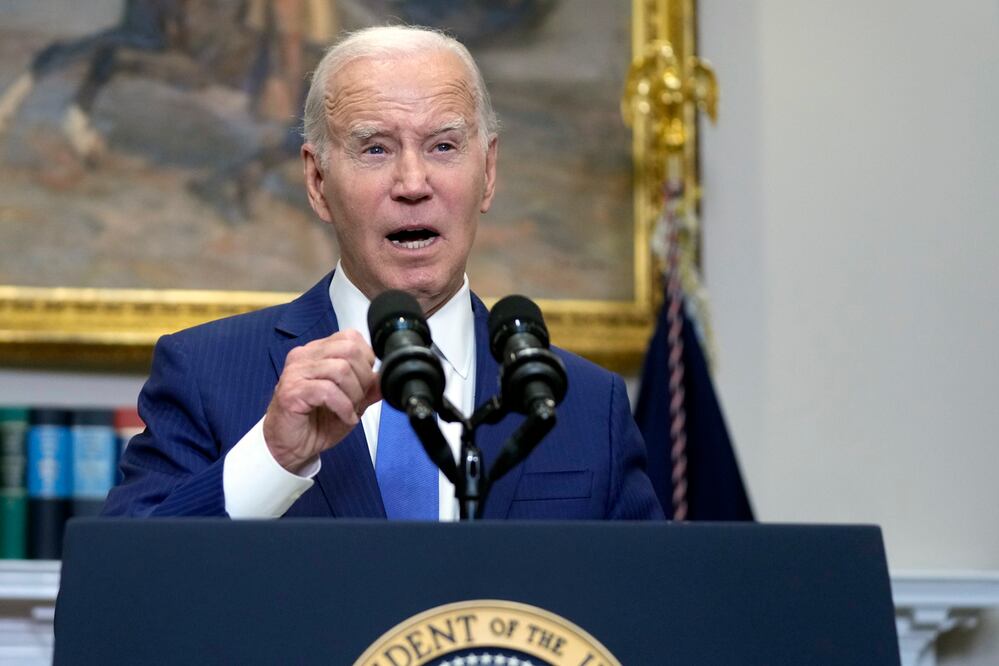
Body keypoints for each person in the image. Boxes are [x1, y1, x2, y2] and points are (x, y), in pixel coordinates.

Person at [101, 25, 664, 521]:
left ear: (488, 172)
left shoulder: (588, 406)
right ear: (317, 182)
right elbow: (118, 599)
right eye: (375, 149)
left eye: (443, 146)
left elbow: (646, 620)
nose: (413, 183)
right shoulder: (207, 376)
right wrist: (272, 458)